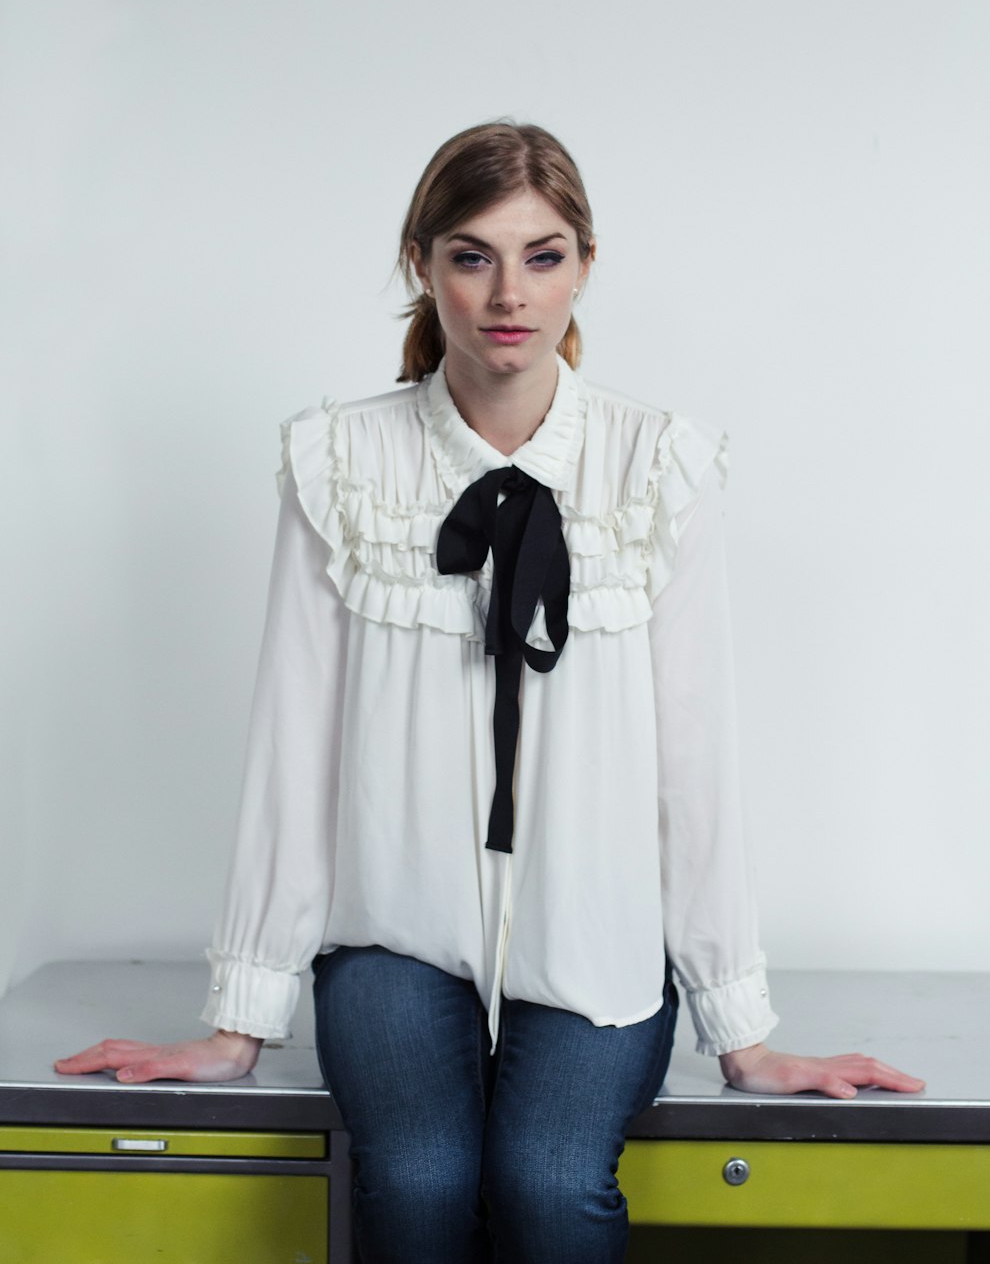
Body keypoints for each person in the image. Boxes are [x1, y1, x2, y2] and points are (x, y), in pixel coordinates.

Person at [56, 121, 923, 1263]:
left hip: (595, 939)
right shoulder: (341, 463)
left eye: (543, 255)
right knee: (416, 1182)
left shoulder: (656, 468)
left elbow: (694, 764)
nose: (509, 293)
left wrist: (740, 1031)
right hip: (394, 940)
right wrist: (239, 1020)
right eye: (472, 256)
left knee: (549, 1186)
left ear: (586, 263)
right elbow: (293, 746)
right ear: (421, 263)